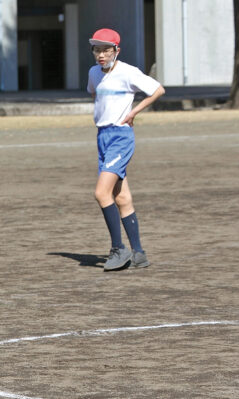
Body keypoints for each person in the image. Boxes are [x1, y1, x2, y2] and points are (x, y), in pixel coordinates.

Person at [86, 28, 165, 271]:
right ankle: (138, 254)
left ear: (116, 51)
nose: (100, 54)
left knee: (101, 193)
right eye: (96, 49)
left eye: (106, 50)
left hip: (120, 137)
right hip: (103, 137)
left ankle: (118, 249)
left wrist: (132, 113)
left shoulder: (128, 72)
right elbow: (94, 95)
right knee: (121, 197)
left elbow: (158, 90)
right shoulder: (93, 73)